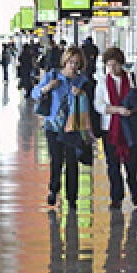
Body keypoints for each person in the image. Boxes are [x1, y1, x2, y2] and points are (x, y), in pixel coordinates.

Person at [32, 46, 91, 207]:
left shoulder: (82, 81)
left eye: (77, 63)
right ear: (65, 61)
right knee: (56, 159)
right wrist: (48, 87)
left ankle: (72, 197)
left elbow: (89, 102)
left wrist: (82, 93)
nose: (73, 66)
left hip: (73, 126)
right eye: (71, 62)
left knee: (72, 161)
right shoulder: (53, 75)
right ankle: (54, 189)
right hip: (53, 125)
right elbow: (35, 93)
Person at [94, 47, 137, 209]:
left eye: (115, 65)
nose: (112, 69)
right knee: (112, 164)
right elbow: (99, 105)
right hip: (110, 129)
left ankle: (133, 188)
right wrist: (118, 110)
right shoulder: (102, 81)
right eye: (109, 65)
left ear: (121, 64)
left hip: (130, 127)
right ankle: (116, 197)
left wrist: (132, 110)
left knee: (131, 163)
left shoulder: (131, 78)